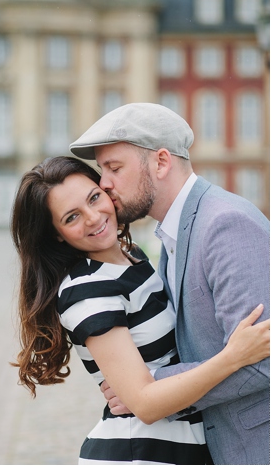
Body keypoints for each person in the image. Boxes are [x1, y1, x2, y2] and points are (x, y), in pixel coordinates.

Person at [11, 156, 269, 464]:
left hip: (179, 445)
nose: (93, 217)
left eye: (94, 198)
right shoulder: (88, 291)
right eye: (71, 217)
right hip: (141, 452)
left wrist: (153, 380)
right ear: (56, 234)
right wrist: (232, 357)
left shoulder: (133, 257)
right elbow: (145, 404)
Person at [69, 102, 270, 464]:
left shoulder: (225, 225)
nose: (104, 183)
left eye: (114, 168)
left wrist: (149, 384)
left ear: (161, 162)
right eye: (102, 170)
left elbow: (263, 361)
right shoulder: (171, 234)